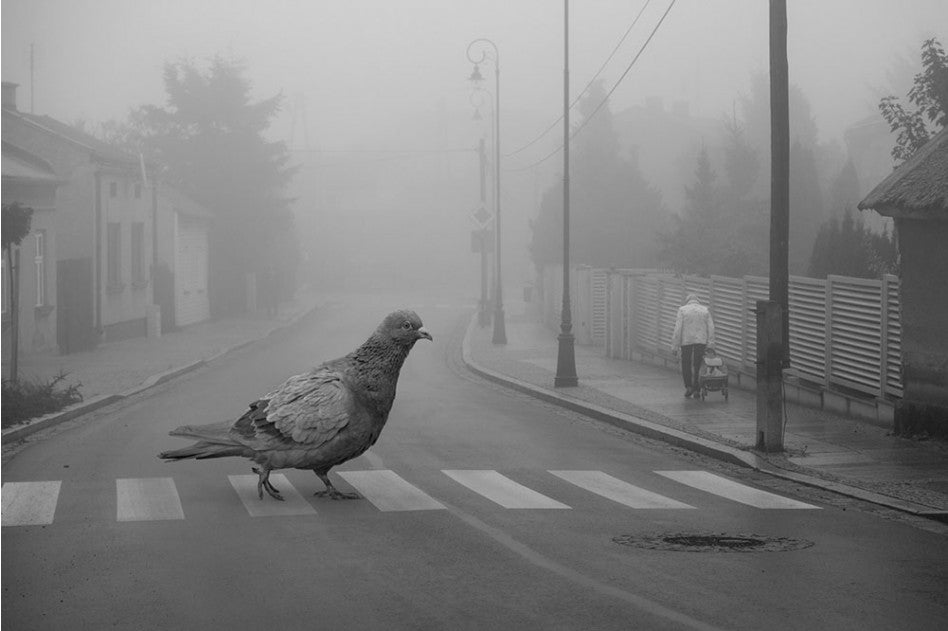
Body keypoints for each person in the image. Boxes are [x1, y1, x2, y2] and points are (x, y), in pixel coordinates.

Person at [670, 293, 715, 399]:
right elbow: (711, 328)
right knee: (698, 365)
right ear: (698, 301)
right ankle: (697, 389)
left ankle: (688, 386)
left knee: (686, 363)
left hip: (686, 341)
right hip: (701, 341)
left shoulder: (682, 310)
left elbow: (678, 328)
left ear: (687, 301)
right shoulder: (705, 310)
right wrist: (711, 344)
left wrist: (675, 346)